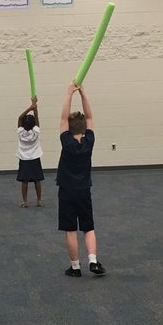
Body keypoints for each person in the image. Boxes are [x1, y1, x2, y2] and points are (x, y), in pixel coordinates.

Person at [57, 82, 105, 277]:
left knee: (70, 229)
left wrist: (69, 93)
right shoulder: (89, 141)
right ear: (85, 129)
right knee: (88, 227)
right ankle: (93, 260)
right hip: (84, 189)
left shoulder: (65, 140)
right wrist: (83, 94)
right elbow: (91, 117)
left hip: (67, 190)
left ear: (69, 128)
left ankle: (75, 266)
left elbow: (62, 118)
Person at [16, 98, 45, 207]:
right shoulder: (36, 131)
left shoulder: (20, 132)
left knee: (25, 181)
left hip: (24, 159)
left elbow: (20, 118)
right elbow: (37, 118)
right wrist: (35, 107)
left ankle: (24, 201)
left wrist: (30, 107)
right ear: (34, 125)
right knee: (37, 180)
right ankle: (39, 200)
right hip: (35, 158)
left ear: (23, 124)